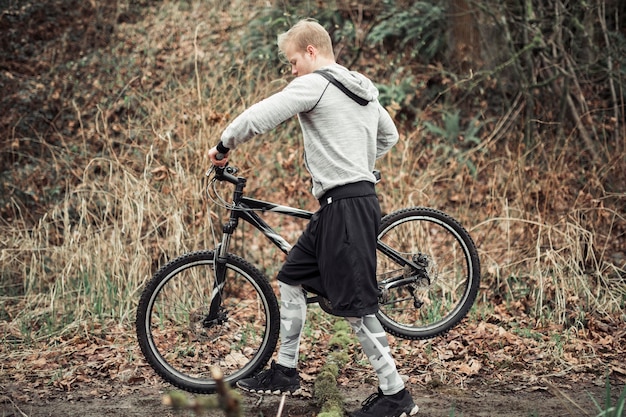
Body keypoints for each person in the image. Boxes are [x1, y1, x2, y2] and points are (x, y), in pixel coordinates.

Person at [208, 19, 418, 417]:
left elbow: (262, 115)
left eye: (292, 62)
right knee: (291, 278)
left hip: (347, 208)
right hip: (338, 207)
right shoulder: (362, 89)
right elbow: (388, 136)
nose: (291, 72)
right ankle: (285, 370)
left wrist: (223, 145)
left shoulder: (316, 82)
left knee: (355, 307)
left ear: (310, 51)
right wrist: (359, 163)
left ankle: (397, 396)